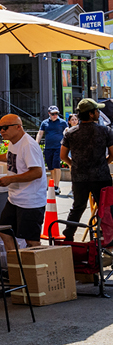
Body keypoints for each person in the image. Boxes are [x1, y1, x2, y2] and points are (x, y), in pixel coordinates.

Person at [0, 114, 46, 250]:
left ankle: (34, 269)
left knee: (31, 241)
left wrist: (10, 179)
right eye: (0, 128)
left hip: (30, 201)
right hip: (15, 199)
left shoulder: (29, 145)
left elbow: (37, 172)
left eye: (5, 128)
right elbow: (11, 157)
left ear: (18, 127)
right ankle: (16, 264)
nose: (2, 131)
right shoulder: (14, 143)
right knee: (4, 231)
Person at [60, 98, 113, 240]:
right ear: (90, 114)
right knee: (107, 208)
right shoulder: (105, 130)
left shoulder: (71, 133)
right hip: (101, 176)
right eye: (97, 111)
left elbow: (63, 155)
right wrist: (105, 162)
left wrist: (73, 165)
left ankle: (69, 237)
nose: (98, 113)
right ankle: (107, 238)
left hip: (79, 177)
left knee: (77, 207)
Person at [36, 106, 67, 195]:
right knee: (51, 168)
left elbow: (67, 133)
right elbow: (40, 133)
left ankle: (56, 186)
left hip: (59, 147)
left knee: (56, 166)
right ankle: (52, 184)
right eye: (53, 114)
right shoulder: (45, 123)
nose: (55, 115)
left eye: (56, 113)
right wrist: (36, 144)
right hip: (48, 147)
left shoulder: (62, 122)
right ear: (49, 113)